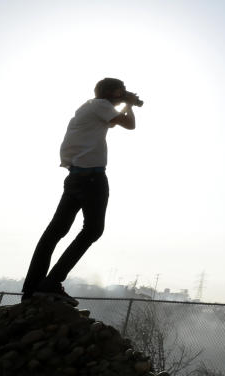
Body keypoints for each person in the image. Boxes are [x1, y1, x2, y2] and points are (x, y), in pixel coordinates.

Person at [21, 77, 142, 305]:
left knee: (54, 233)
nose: (124, 91)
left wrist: (125, 103)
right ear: (110, 92)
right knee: (93, 230)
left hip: (75, 177)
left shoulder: (89, 107)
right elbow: (129, 124)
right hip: (93, 178)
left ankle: (31, 289)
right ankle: (51, 283)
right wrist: (130, 103)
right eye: (121, 89)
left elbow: (116, 122)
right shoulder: (101, 105)